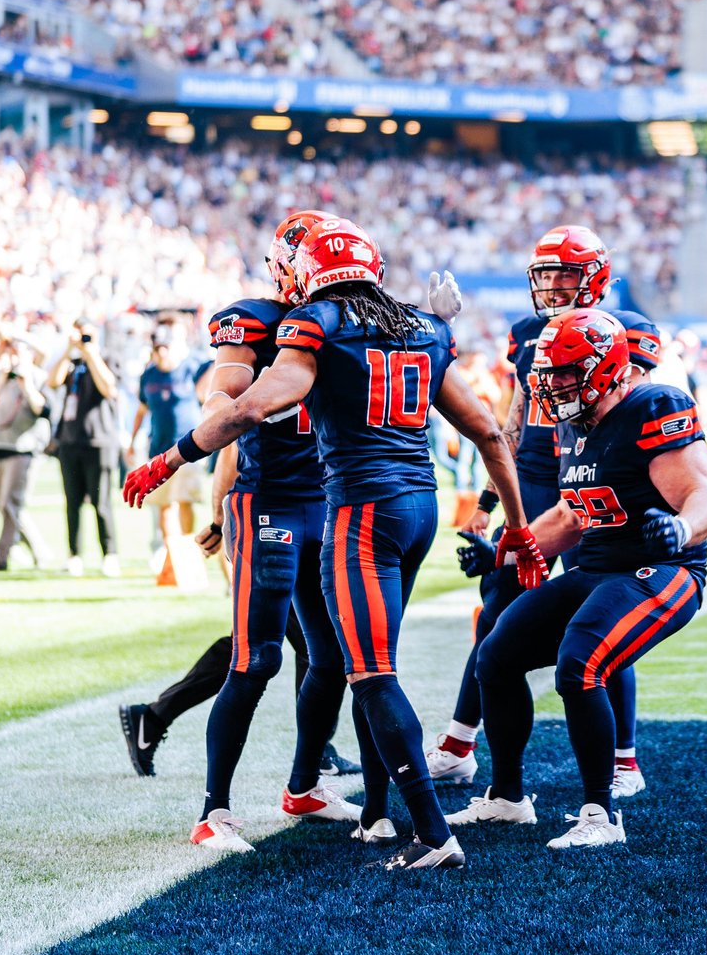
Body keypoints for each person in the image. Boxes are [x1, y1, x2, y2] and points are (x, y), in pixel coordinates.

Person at [123, 217, 535, 873]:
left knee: (364, 668)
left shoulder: (320, 324)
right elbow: (487, 429)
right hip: (368, 504)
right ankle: (291, 809)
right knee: (298, 659)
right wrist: (517, 526)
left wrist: (169, 458)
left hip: (351, 507)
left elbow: (248, 407)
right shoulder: (413, 326)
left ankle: (404, 822)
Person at [457, 308, 707, 851]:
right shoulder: (573, 422)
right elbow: (570, 516)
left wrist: (680, 527)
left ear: (605, 368)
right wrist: (505, 555)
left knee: (580, 662)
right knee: (496, 653)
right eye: (548, 374)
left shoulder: (654, 405)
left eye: (564, 372)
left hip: (663, 569)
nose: (553, 385)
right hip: (598, 566)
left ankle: (599, 814)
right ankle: (507, 797)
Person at [428, 226, 661, 797]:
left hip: (589, 478)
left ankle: (623, 758)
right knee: (496, 612)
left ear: (595, 278)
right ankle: (461, 744)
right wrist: (489, 500)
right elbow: (513, 419)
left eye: (566, 274)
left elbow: (634, 415)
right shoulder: (527, 333)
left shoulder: (628, 331)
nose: (554, 286)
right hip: (533, 476)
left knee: (603, 609)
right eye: (545, 275)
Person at [180, 209, 366, 849]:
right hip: (268, 503)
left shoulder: (347, 321)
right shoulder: (254, 319)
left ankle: (304, 786)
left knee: (335, 655)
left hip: (328, 501)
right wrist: (216, 495)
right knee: (256, 656)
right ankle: (213, 812)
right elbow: (226, 393)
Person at [49, 320, 123, 577]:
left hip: (99, 440)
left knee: (101, 502)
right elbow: (53, 381)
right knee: (72, 502)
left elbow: (108, 387)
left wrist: (91, 352)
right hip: (70, 441)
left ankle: (109, 554)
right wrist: (69, 349)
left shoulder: (106, 358)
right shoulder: (73, 364)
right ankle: (74, 554)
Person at [0, 336, 49, 573]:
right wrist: (1, 377)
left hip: (21, 448)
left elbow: (43, 409)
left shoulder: (36, 376)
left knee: (11, 504)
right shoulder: (1, 377)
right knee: (6, 506)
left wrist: (26, 384)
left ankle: (3, 558)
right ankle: (37, 551)